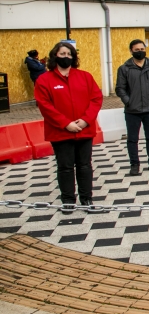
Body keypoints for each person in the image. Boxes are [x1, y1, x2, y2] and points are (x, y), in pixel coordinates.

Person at [34, 42, 103, 214]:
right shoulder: (44, 80)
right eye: (62, 54)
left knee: (85, 165)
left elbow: (96, 99)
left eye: (69, 54)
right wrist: (66, 123)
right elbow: (44, 105)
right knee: (65, 167)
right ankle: (68, 200)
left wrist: (85, 120)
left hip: (84, 130)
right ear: (54, 56)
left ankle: (86, 198)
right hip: (60, 132)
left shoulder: (85, 76)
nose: (66, 57)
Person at [115, 39, 149, 176]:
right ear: (131, 51)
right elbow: (120, 88)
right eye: (137, 50)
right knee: (132, 139)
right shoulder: (124, 68)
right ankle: (134, 164)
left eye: (142, 49)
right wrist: (128, 101)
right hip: (133, 110)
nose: (140, 52)